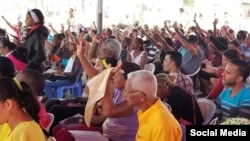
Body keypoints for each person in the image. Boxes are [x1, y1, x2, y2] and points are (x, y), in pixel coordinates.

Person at [124, 70, 182, 141]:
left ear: (141, 96)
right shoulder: (144, 111)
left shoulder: (161, 125)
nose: (124, 94)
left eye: (127, 91)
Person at [213, 59, 250, 123]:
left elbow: (240, 123)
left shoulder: (247, 98)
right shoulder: (225, 92)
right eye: (224, 71)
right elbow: (217, 114)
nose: (222, 74)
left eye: (228, 73)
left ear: (239, 79)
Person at [19, 8, 49, 73]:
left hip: (35, 69)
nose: (25, 20)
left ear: (34, 19)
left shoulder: (38, 33)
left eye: (27, 18)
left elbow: (40, 55)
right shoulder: (32, 32)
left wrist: (28, 66)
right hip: (33, 67)